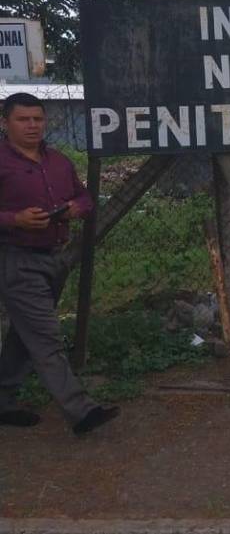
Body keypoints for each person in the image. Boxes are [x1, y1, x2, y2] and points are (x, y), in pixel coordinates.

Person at [0, 93, 118, 435]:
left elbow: (84, 197)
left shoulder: (59, 161)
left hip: (54, 258)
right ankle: (81, 411)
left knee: (25, 336)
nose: (32, 125)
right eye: (24, 119)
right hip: (16, 259)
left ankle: (3, 402)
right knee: (46, 336)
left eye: (37, 119)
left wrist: (74, 209)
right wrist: (14, 219)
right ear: (6, 123)